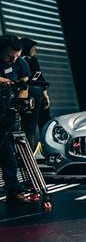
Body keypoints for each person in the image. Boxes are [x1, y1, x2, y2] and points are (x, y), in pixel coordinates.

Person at [0, 34, 32, 203]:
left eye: (16, 56)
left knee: (9, 153)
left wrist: (21, 102)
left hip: (8, 113)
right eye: (9, 56)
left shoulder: (20, 62)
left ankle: (13, 191)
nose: (13, 60)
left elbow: (24, 85)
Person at [19, 38, 49, 149]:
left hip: (38, 93)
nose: (35, 49)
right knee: (29, 126)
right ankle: (28, 152)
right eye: (33, 48)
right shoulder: (20, 61)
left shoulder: (34, 60)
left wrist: (46, 95)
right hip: (28, 95)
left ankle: (46, 147)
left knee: (45, 121)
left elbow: (40, 77)